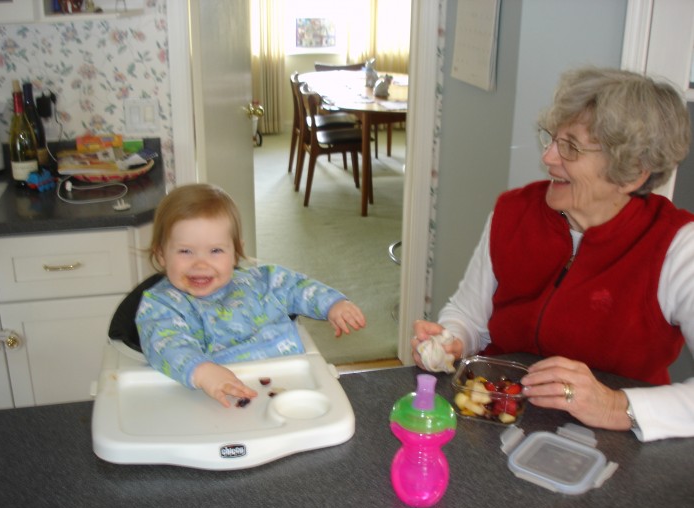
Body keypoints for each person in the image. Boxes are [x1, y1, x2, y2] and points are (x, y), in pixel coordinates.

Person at [411, 67, 694, 441]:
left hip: (615, 444)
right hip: (498, 417)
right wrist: (451, 339)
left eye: (571, 147)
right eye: (552, 138)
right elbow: (468, 315)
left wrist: (614, 405)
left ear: (633, 173)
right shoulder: (514, 211)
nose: (548, 158)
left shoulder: (678, 247)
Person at [136, 183, 366, 407]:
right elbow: (165, 343)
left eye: (216, 250)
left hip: (289, 385)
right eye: (185, 251)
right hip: (222, 397)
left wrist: (332, 304)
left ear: (235, 254)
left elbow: (297, 286)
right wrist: (202, 371)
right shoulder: (161, 305)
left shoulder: (260, 282)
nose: (201, 263)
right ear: (162, 255)